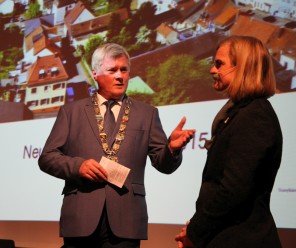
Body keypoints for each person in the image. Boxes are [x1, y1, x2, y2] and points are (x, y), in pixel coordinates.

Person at [38, 43, 195, 248]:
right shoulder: (71, 112)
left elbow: (163, 164)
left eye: (124, 70)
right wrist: (78, 166)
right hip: (81, 216)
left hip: (127, 219)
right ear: (95, 73)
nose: (120, 76)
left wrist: (172, 149)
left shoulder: (147, 114)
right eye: (112, 70)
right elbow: (47, 157)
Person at [175, 35, 283, 248]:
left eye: (219, 64)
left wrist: (195, 233)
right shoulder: (240, 112)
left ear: (241, 66)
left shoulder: (254, 116)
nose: (212, 70)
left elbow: (233, 190)